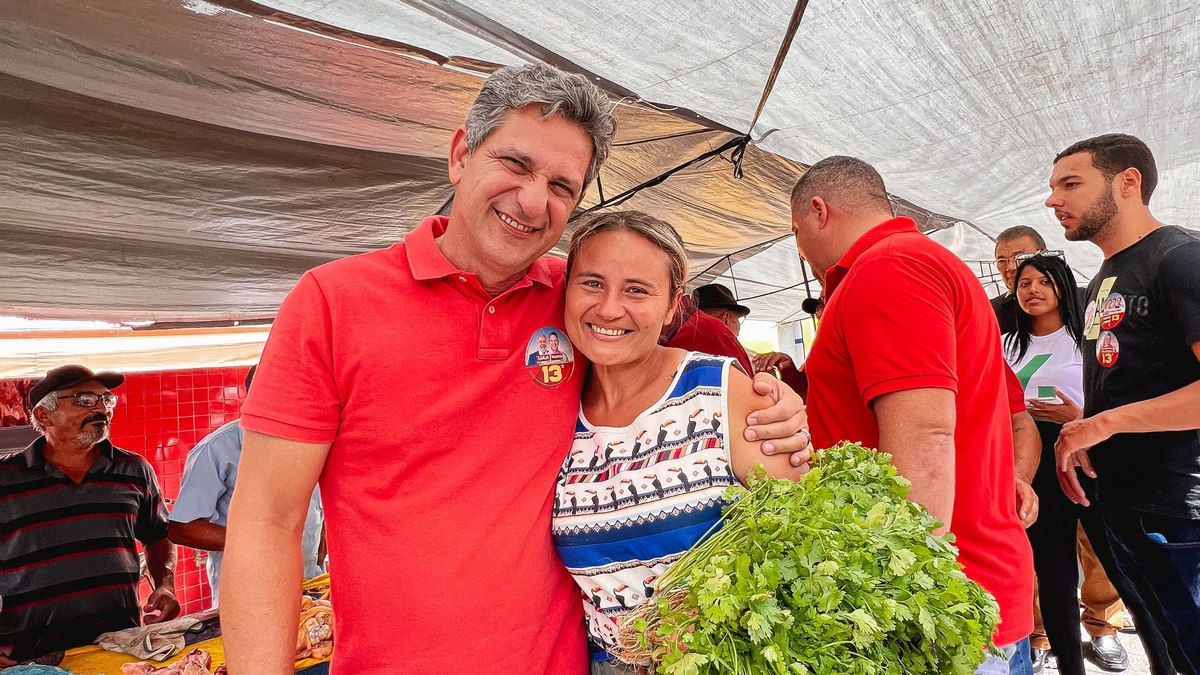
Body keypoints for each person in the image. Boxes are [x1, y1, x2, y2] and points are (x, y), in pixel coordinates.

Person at [221, 63, 811, 675]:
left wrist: (767, 405)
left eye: (563, 185)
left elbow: (668, 358)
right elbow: (267, 520)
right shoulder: (331, 303)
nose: (534, 201)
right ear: (460, 155)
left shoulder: (576, 299)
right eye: (516, 164)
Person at [789, 156, 1035, 674]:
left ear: (818, 211)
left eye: (796, 233)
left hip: (943, 610)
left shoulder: (889, 267)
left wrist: (907, 606)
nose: (801, 252)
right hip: (969, 590)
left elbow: (924, 438)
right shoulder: (920, 263)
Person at [551, 211, 807, 673]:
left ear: (672, 306)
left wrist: (703, 620)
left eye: (636, 289)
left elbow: (805, 535)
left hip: (724, 660)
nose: (609, 308)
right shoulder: (555, 402)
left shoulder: (718, 391)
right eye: (592, 283)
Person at [1049, 133, 1200, 674]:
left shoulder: (1180, 259)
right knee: (1167, 648)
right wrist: (1087, 429)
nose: (1052, 200)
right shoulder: (1102, 279)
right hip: (1120, 504)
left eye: (1070, 184)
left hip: (1178, 513)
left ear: (1128, 182)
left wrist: (1104, 423)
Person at [1004, 252, 1156, 674]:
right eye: (1024, 284)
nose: (1032, 290)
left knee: (1120, 567)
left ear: (1063, 287)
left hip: (1089, 463)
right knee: (1052, 575)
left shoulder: (1087, 341)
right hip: (1036, 467)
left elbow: (1122, 401)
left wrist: (1079, 418)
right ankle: (1070, 665)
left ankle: (1162, 659)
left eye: (1043, 282)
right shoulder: (1005, 345)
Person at [0, 365, 179, 666]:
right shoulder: (5, 478)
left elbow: (158, 534)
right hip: (28, 656)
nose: (101, 409)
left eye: (106, 400)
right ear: (45, 416)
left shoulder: (133, 469)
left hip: (118, 645)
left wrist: (166, 584)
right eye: (84, 400)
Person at [166, 366, 325, 607]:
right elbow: (183, 528)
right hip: (247, 592)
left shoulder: (311, 443)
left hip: (309, 585)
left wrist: (320, 551)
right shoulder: (217, 449)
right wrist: (259, 540)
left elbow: (318, 509)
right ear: (254, 399)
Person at [658, 293, 753, 374]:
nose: (739, 327)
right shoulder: (714, 331)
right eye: (738, 319)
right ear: (726, 318)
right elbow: (747, 381)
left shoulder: (668, 327)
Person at [992, 226, 1048, 335]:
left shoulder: (1082, 300)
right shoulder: (989, 312)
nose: (1010, 267)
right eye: (1002, 261)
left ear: (1044, 255)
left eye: (1020, 257)